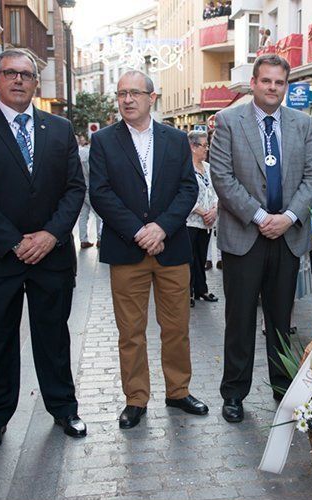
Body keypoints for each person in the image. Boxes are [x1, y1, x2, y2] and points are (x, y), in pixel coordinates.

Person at [0, 48, 87, 451]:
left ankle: (64, 409)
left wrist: (49, 236)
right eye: (9, 73)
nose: (18, 80)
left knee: (53, 336)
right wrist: (13, 241)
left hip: (52, 258)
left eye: (26, 75)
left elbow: (74, 189)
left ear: (34, 82)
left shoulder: (60, 128)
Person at [90, 70, 208, 430]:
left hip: (171, 248)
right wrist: (138, 230)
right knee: (131, 331)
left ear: (151, 98)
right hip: (127, 251)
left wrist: (162, 227)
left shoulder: (175, 140)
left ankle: (178, 391)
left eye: (135, 93)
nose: (127, 100)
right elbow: (100, 192)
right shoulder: (104, 141)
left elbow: (188, 189)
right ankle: (136, 399)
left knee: (176, 327)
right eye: (122, 93)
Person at [210, 54, 312, 423]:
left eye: (280, 82)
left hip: (286, 237)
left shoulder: (302, 124)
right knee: (239, 320)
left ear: (286, 86)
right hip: (245, 236)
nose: (273, 88)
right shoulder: (228, 121)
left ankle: (283, 391)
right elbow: (223, 178)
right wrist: (260, 217)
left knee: (280, 321)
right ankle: (234, 393)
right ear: (253, 83)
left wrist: (288, 218)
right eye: (266, 81)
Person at [185, 130, 218, 307]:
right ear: (192, 146)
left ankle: (201, 289)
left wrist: (214, 210)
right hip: (190, 220)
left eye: (207, 145)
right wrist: (202, 212)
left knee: (201, 256)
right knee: (189, 257)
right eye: (204, 145)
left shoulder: (208, 167)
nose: (207, 149)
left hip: (207, 222)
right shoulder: (184, 168)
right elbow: (183, 194)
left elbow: (216, 191)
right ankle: (188, 292)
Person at [76, 134, 103, 248]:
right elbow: (91, 173)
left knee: (83, 215)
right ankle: (100, 238)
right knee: (99, 214)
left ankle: (83, 239)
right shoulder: (86, 154)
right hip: (89, 188)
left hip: (79, 188)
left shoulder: (77, 153)